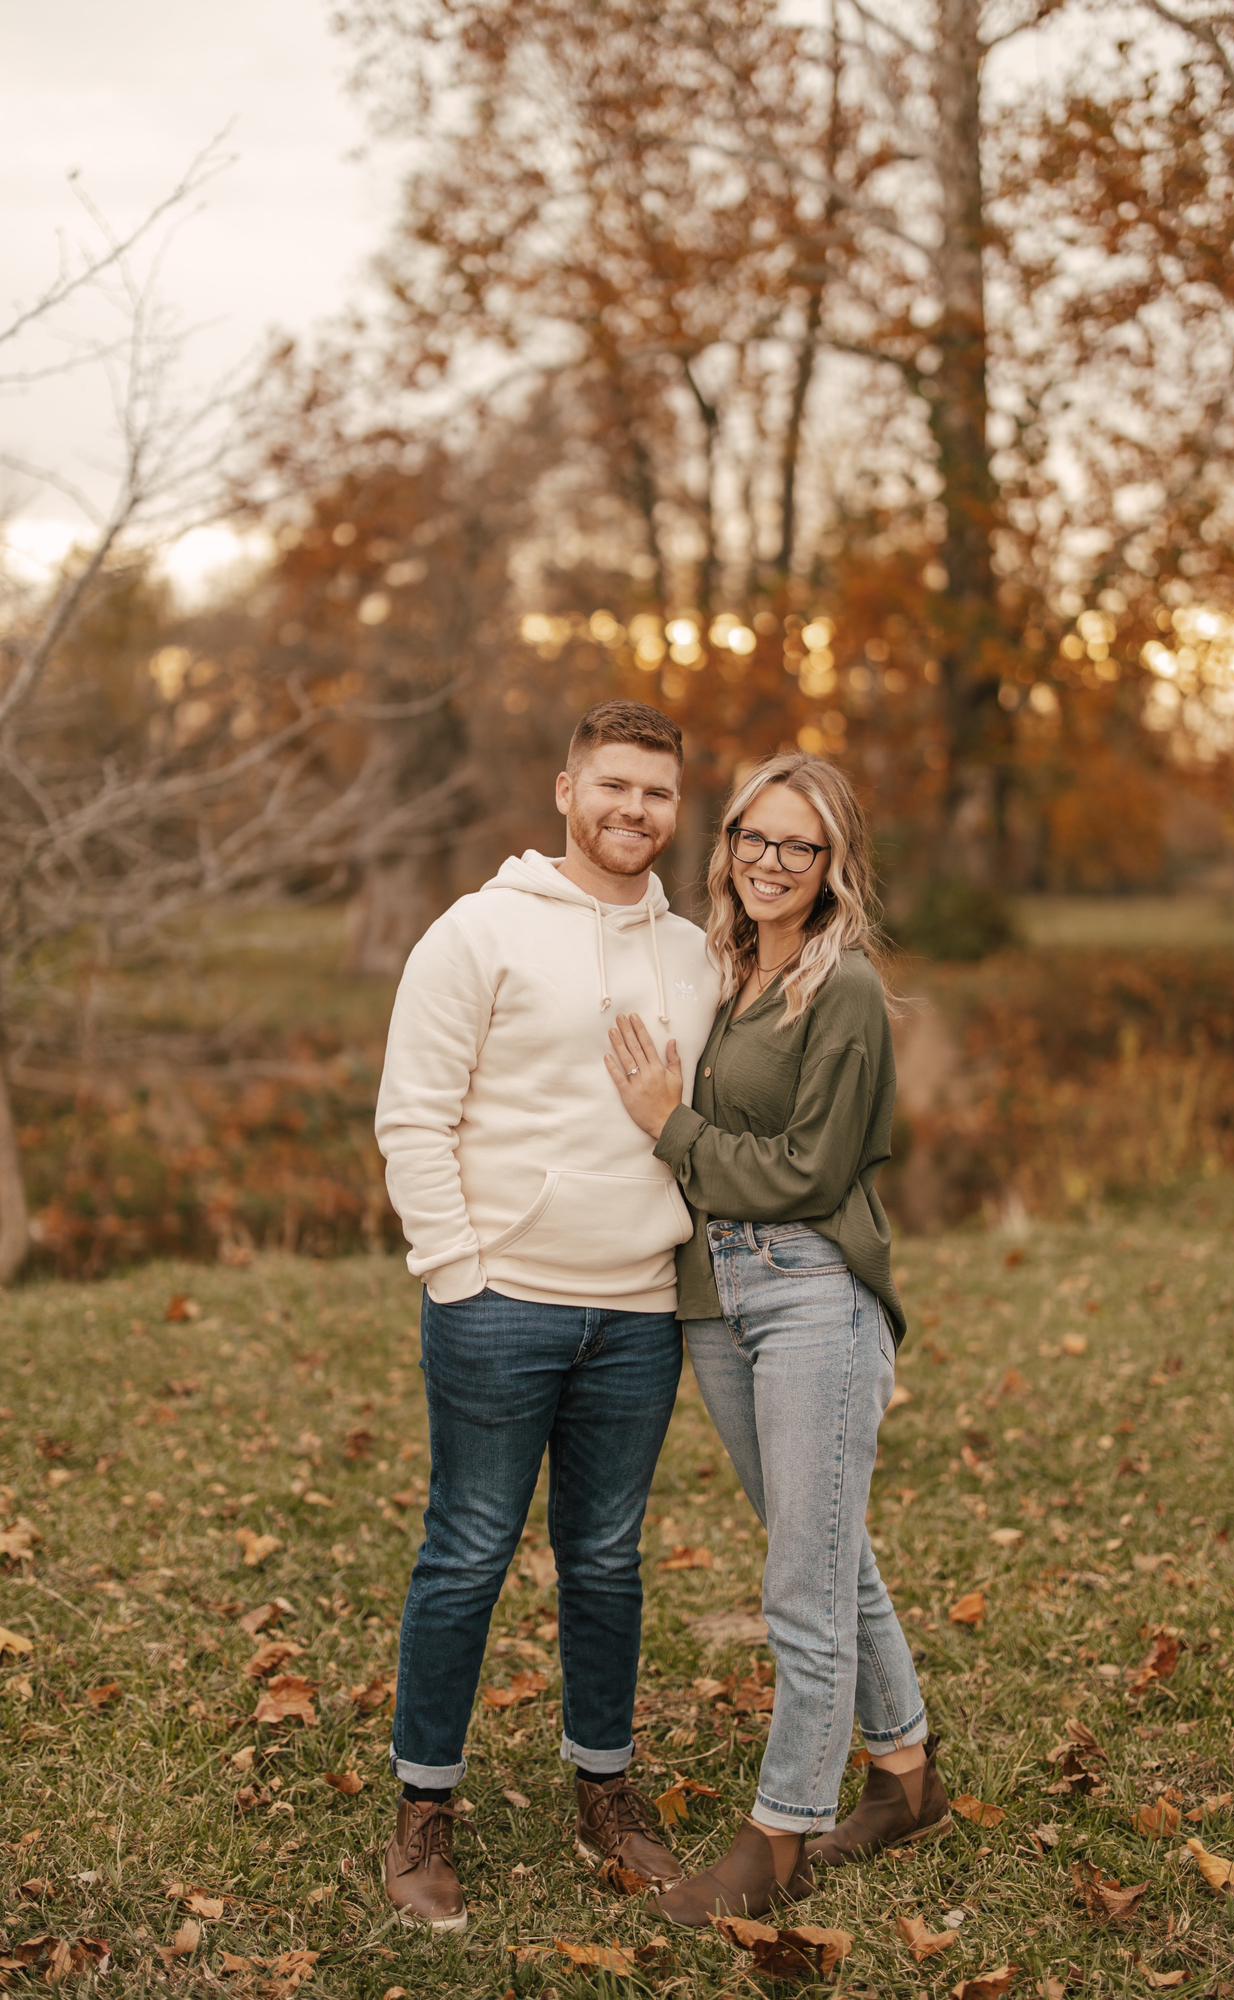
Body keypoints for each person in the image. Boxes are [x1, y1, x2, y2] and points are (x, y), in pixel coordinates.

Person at [374, 700, 720, 1932]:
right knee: (466, 1550)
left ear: (677, 809)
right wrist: (457, 1269)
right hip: (500, 1304)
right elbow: (412, 1113)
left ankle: (606, 1793)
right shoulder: (477, 931)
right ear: (564, 788)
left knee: (608, 1559)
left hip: (638, 1312)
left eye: (658, 793)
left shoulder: (695, 952)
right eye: (613, 785)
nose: (634, 810)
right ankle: (424, 1809)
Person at [604, 750, 949, 1927]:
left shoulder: (839, 986)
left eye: (797, 845)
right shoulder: (731, 968)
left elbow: (809, 1171)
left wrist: (672, 1127)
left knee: (799, 1580)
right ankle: (904, 1773)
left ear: (832, 862)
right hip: (716, 1300)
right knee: (825, 1551)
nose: (769, 861)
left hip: (811, 1295)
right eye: (754, 835)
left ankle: (780, 1833)